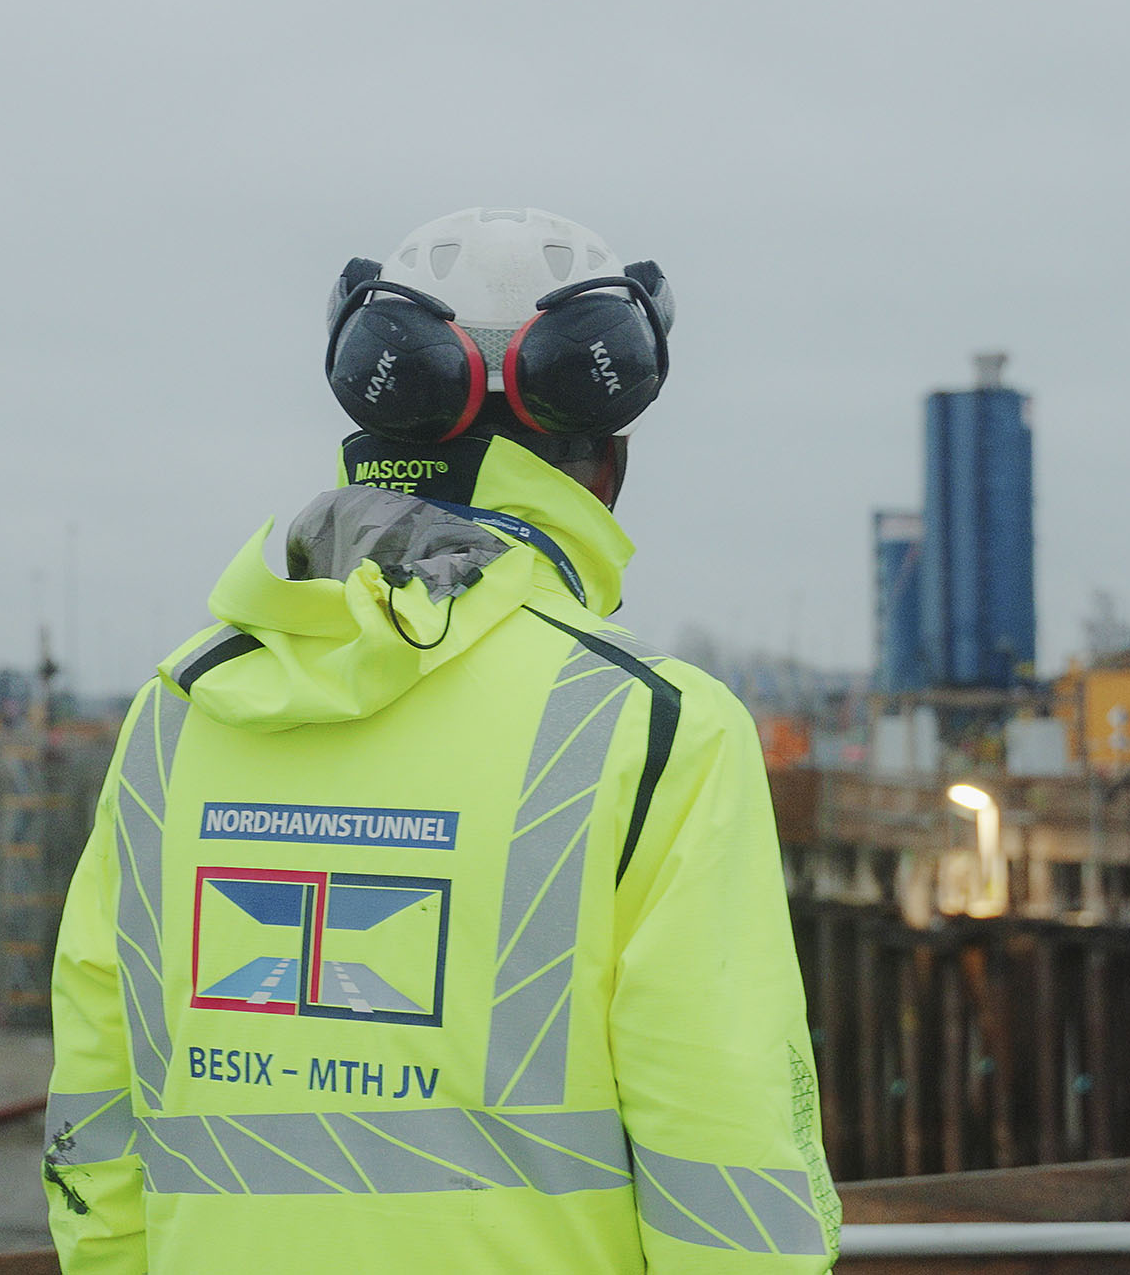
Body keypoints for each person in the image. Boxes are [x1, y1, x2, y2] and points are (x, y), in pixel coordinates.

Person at [45, 208, 836, 1273]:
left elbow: (96, 1117)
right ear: (603, 463)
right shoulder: (651, 730)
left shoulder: (177, 714)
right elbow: (730, 1175)